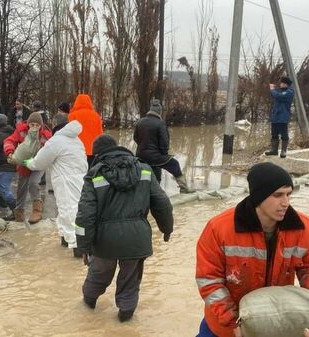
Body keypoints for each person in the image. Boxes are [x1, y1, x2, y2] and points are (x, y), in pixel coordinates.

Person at [195, 162, 309, 337]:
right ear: (258, 196)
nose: (286, 203)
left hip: (278, 326)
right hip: (224, 327)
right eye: (278, 195)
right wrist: (233, 324)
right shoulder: (219, 229)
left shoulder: (304, 228)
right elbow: (209, 281)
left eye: (288, 194)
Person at [75, 134, 173, 322]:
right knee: (129, 283)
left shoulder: (95, 174)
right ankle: (125, 322)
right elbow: (162, 203)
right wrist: (166, 229)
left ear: (97, 154)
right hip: (137, 240)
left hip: (105, 242)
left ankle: (86, 313)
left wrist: (84, 246)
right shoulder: (144, 169)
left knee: (97, 277)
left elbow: (85, 215)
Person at [23, 120, 88, 256]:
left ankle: (77, 248)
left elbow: (41, 162)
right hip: (80, 180)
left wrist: (30, 163)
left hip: (65, 181)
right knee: (74, 209)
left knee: (68, 210)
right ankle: (68, 241)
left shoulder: (56, 141)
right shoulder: (77, 141)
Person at [134, 99, 193, 193]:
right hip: (155, 156)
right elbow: (164, 143)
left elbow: (135, 138)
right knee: (174, 164)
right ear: (159, 112)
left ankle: (152, 190)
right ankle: (184, 188)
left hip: (140, 155)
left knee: (155, 168)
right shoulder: (160, 123)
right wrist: (164, 154)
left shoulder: (140, 122)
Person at [3, 112, 52, 223]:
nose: (34, 127)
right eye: (32, 124)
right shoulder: (21, 131)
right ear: (28, 123)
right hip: (24, 163)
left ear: (41, 125)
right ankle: (18, 212)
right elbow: (9, 140)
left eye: (37, 125)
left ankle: (37, 210)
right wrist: (10, 152)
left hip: (38, 164)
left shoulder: (45, 135)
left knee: (33, 183)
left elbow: (51, 149)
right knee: (21, 187)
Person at [0, 114, 17, 220]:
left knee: (3, 188)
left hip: (5, 165)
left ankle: (16, 210)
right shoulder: (11, 131)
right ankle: (2, 202)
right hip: (10, 163)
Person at [68, 94, 103, 167]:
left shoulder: (72, 115)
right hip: (92, 151)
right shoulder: (96, 116)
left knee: (78, 174)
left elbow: (69, 133)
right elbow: (100, 135)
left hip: (77, 151)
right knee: (91, 173)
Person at [265, 76, 295, 158]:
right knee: (274, 134)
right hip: (275, 117)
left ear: (286, 84)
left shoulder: (289, 92)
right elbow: (276, 95)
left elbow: (278, 96)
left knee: (284, 135)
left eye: (282, 83)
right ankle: (274, 150)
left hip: (283, 117)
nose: (280, 84)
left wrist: (272, 89)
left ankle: (283, 151)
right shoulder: (280, 91)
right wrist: (274, 91)